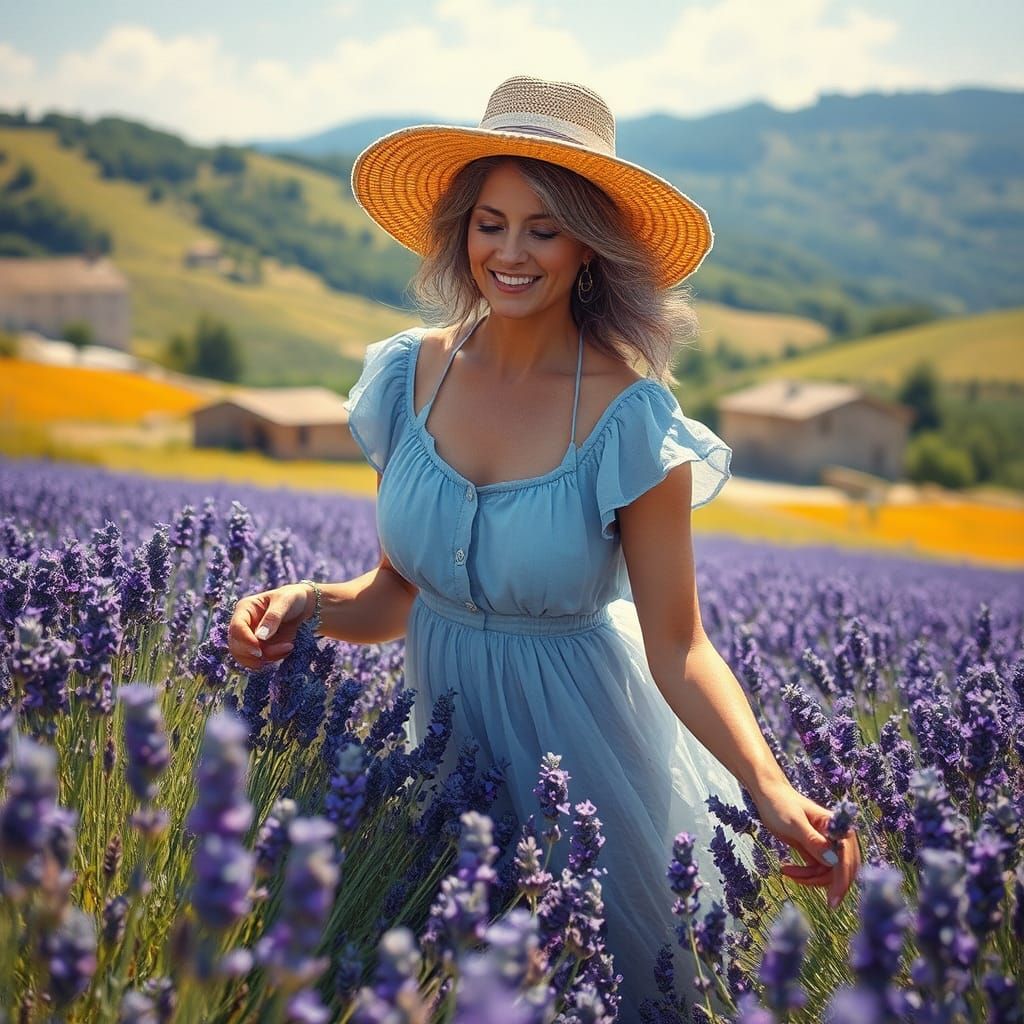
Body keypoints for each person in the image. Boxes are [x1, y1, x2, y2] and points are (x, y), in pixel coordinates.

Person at [228, 75, 860, 1018]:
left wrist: (766, 785)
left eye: (544, 229)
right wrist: (306, 603)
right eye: (490, 224)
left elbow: (679, 645)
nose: (511, 253)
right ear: (463, 232)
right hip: (442, 755)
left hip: (586, 762)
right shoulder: (410, 375)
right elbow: (399, 592)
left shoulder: (630, 419)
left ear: (588, 246)